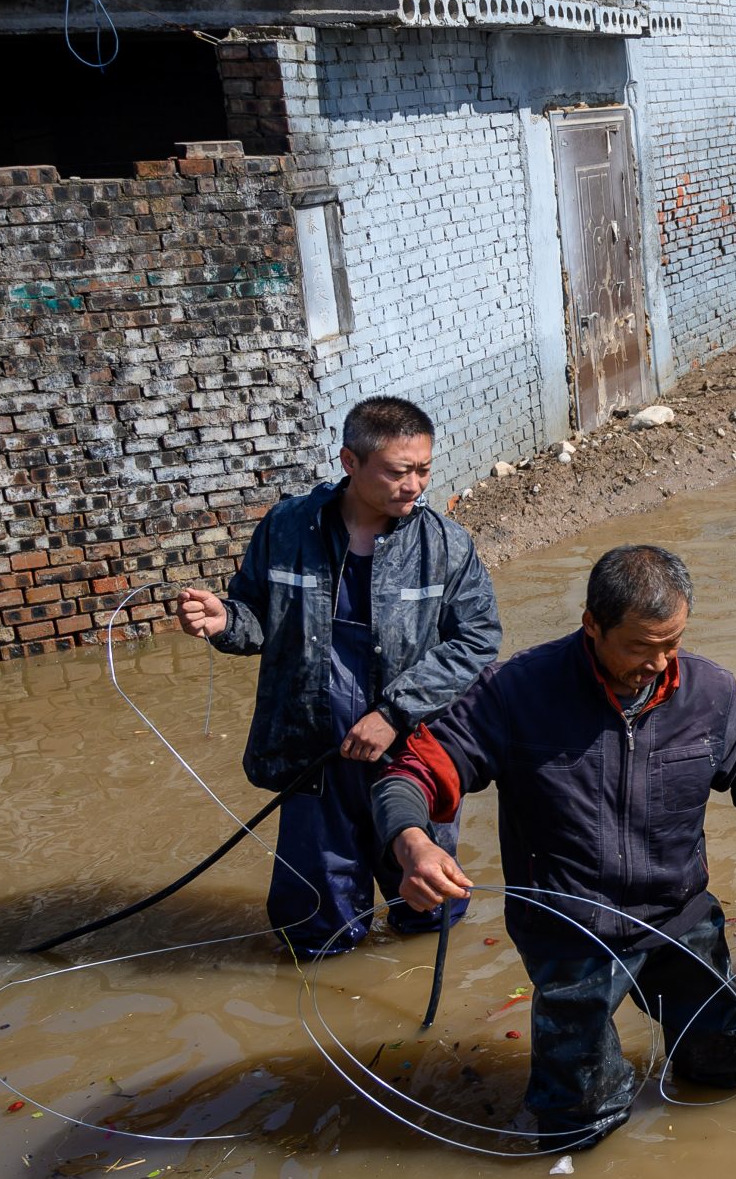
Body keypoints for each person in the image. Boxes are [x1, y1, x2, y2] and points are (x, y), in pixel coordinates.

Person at [374, 544, 736, 1153]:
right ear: (592, 625)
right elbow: (411, 773)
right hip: (569, 927)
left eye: (672, 644)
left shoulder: (710, 692)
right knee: (575, 1116)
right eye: (641, 647)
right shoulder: (518, 692)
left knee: (725, 1059)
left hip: (677, 916)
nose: (659, 662)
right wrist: (413, 842)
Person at [174, 396, 499, 957]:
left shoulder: (444, 544)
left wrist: (394, 714)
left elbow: (477, 639)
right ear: (350, 462)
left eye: (424, 469)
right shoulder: (287, 526)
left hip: (409, 753)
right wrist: (224, 620)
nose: (414, 485)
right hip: (313, 753)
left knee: (427, 905)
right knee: (315, 928)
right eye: (399, 472)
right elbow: (255, 617)